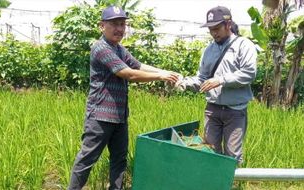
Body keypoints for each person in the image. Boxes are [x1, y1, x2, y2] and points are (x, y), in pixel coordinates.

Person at [68, 5, 178, 190]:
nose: (119, 29)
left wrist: (165, 71)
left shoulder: (119, 49)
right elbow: (129, 73)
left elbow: (138, 65)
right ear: (102, 26)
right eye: (114, 24)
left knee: (119, 160)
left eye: (122, 24)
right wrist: (161, 76)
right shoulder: (100, 48)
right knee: (87, 159)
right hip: (100, 116)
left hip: (119, 116)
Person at [175, 6, 257, 163]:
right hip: (212, 110)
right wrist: (183, 83)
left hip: (235, 110)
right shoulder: (209, 50)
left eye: (217, 28)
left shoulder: (243, 45)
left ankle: (231, 185)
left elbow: (249, 74)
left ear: (228, 24)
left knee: (233, 155)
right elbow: (202, 79)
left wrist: (221, 80)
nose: (213, 33)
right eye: (210, 29)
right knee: (210, 152)